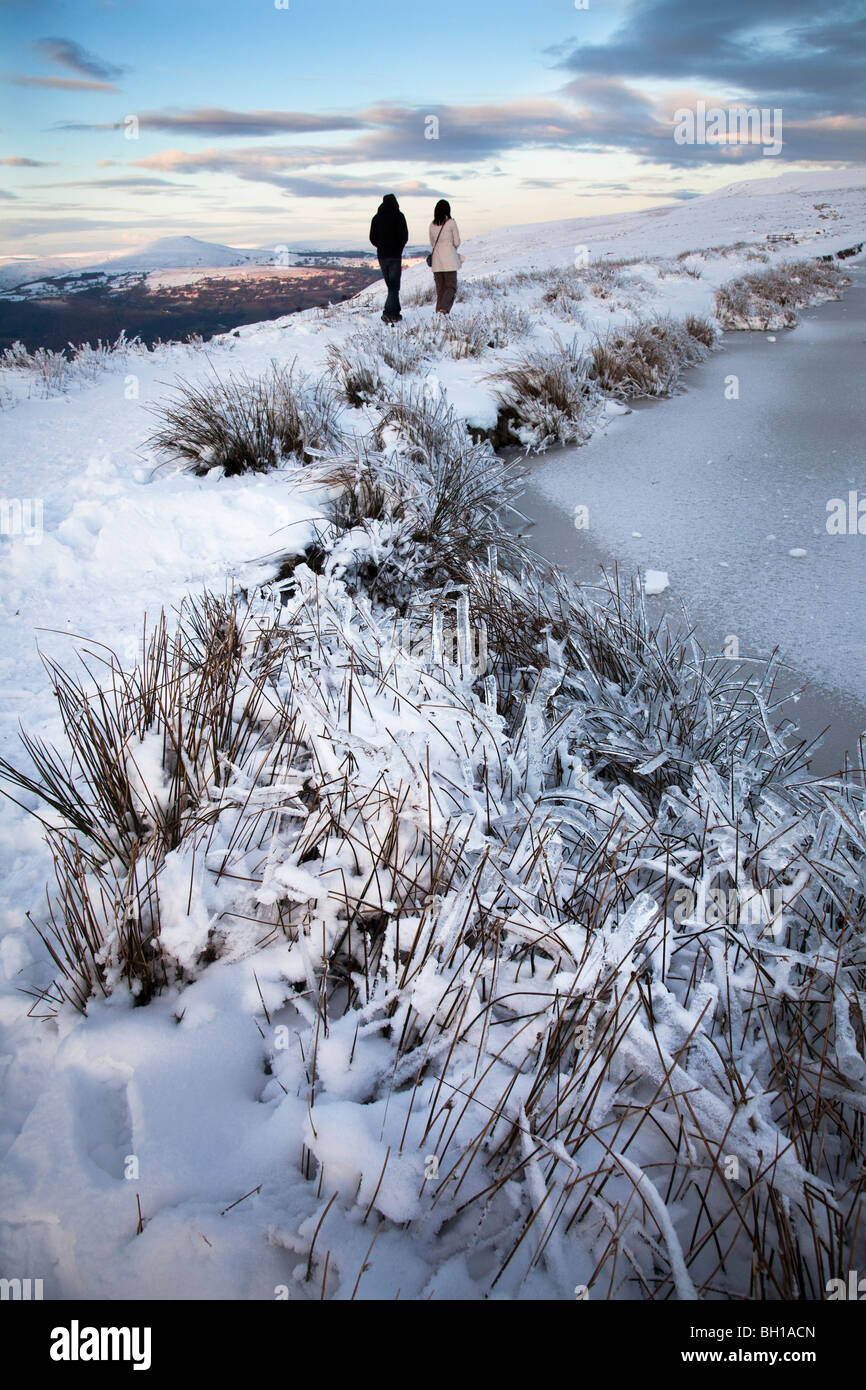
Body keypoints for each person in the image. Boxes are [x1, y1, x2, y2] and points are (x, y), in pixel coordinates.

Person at [369, 193, 408, 324]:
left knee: (391, 286)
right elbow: (404, 236)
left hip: (382, 255)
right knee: (393, 286)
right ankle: (388, 312)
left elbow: (372, 238)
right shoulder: (399, 216)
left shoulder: (376, 218)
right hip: (395, 255)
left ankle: (395, 312)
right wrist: (398, 248)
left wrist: (380, 246)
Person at [429, 199, 461, 315]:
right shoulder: (451, 223)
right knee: (451, 287)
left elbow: (432, 243)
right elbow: (457, 242)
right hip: (449, 261)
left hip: (437, 261)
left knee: (441, 290)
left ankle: (439, 314)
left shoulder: (431, 225)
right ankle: (443, 311)